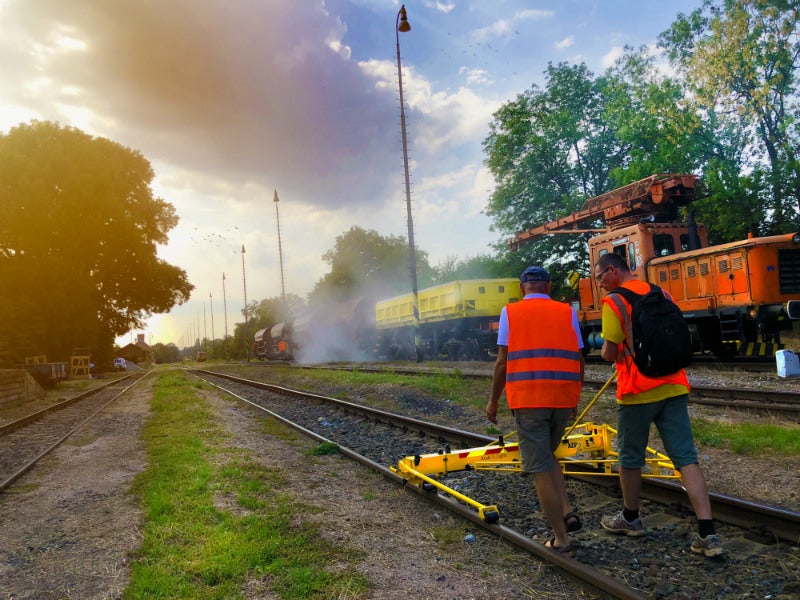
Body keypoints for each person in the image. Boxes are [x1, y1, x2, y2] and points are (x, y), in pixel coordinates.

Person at [594, 252, 725, 557]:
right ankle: (708, 533)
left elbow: (610, 353)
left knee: (630, 458)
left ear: (613, 271)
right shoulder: (660, 292)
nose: (599, 285)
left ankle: (630, 518)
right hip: (674, 384)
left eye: (600, 277)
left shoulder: (614, 301)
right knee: (686, 457)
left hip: (637, 390)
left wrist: (610, 351)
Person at [486, 265, 585, 556]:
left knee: (539, 466)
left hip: (529, 400)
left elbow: (502, 362)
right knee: (548, 455)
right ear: (549, 287)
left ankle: (561, 540)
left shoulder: (510, 312)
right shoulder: (567, 312)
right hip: (562, 398)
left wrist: (493, 400)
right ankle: (566, 510)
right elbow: (579, 358)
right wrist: (574, 397)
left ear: (522, 288)